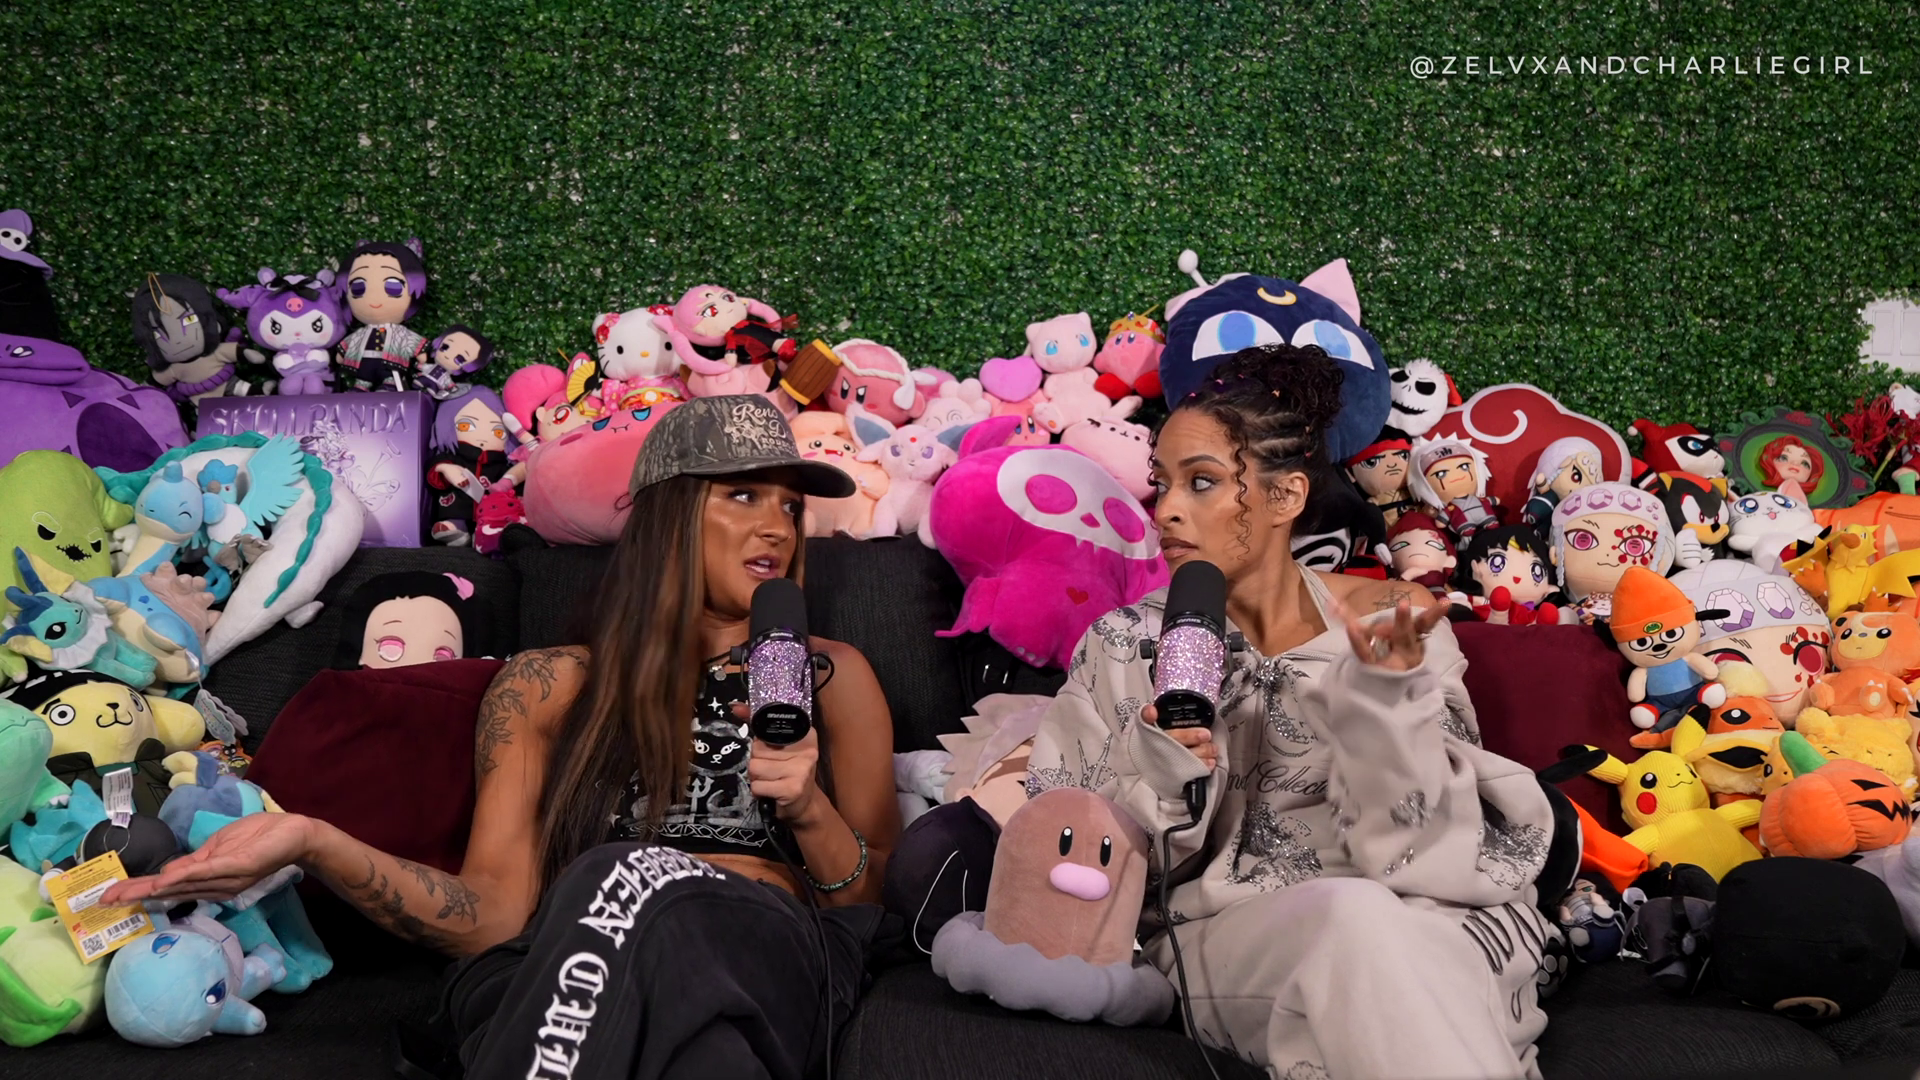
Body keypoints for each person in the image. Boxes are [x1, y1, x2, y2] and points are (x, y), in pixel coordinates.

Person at [105, 395, 902, 1080]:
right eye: (745, 495)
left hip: (763, 951)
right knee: (705, 1056)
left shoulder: (832, 676)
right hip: (577, 962)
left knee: (630, 883)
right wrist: (314, 841)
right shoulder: (547, 684)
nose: (777, 527)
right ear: (670, 515)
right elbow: (489, 916)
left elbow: (868, 906)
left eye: (790, 506)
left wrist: (806, 808)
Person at [1028, 344, 1558, 1080]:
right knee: (1356, 924)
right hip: (1228, 936)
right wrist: (1166, 773)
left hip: (1422, 918)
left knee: (1393, 945)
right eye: (1161, 483)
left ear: (1285, 498)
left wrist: (1386, 714)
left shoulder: (1388, 620)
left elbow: (1432, 844)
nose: (1166, 510)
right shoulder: (1122, 643)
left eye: (1202, 482)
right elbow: (1063, 854)